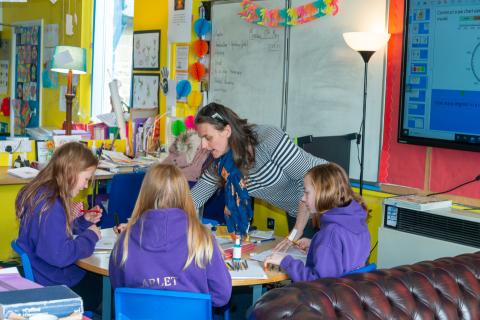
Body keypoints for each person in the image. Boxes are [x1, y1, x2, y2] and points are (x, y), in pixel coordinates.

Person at [191, 102, 327, 240]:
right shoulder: (221, 165)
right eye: (201, 139)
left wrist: (296, 231)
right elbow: (193, 199)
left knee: (320, 257)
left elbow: (306, 181)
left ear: (227, 131)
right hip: (298, 212)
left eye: (208, 138)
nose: (203, 145)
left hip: (326, 199)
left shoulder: (268, 139)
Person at [109, 163, 231, 308]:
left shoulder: (125, 240)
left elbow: (119, 290)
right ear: (184, 195)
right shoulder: (201, 237)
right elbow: (221, 295)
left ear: (145, 194)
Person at [15, 142, 103, 310]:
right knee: (108, 285)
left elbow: (53, 233)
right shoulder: (52, 205)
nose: (86, 185)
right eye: (86, 179)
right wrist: (90, 236)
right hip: (56, 285)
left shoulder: (43, 193)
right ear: (70, 172)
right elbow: (61, 256)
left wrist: (83, 222)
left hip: (42, 272)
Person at [264, 163, 371, 281]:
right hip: (351, 292)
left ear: (324, 192)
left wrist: (285, 262)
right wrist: (314, 244)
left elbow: (318, 283)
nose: (303, 198)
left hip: (326, 296)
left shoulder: (330, 234)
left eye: (307, 192)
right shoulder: (356, 221)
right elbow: (345, 256)